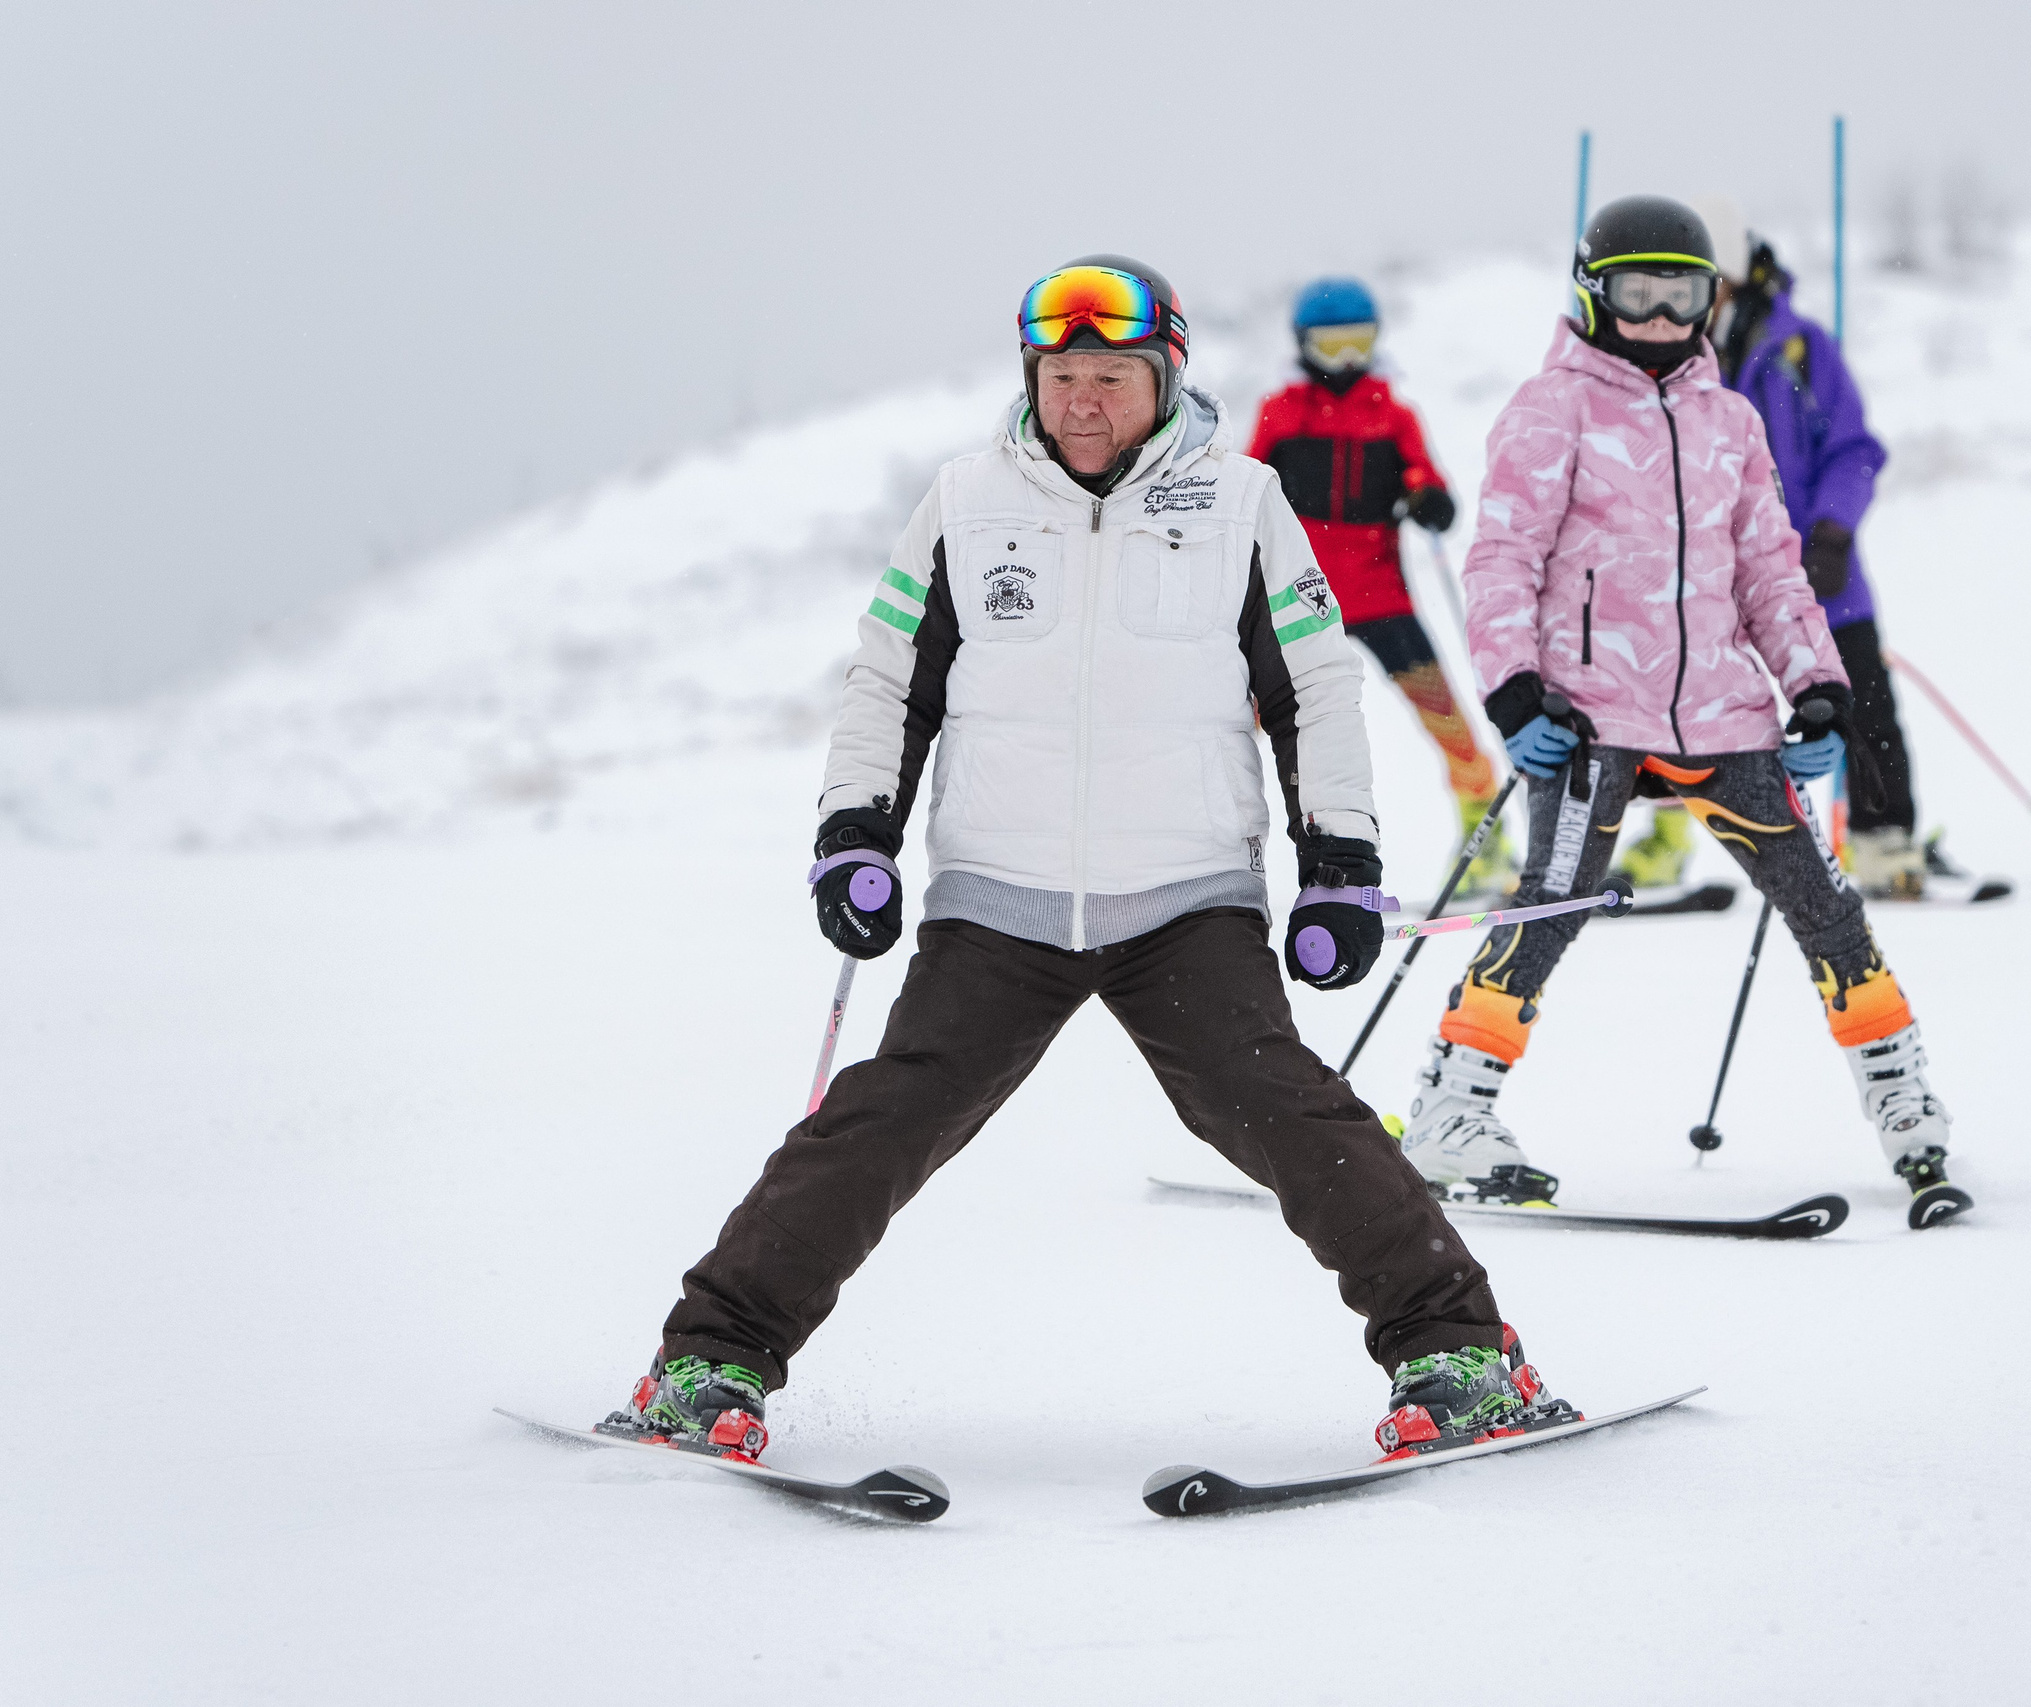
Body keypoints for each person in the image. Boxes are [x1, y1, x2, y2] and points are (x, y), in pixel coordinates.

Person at [601, 256, 1574, 1465]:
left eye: (1111, 376)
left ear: (1163, 377)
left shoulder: (1241, 501)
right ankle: (709, 1365)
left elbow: (1314, 692)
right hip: (997, 900)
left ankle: (1457, 1352)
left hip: (1185, 895)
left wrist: (1339, 865)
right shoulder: (963, 502)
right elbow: (889, 680)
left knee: (1283, 1109)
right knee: (882, 1120)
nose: (1083, 402)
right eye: (1062, 376)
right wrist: (856, 834)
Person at [1401, 198, 1973, 1230]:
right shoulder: (1549, 409)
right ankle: (1451, 1110)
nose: (1663, 319)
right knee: (1552, 904)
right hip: (1588, 717)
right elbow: (1502, 559)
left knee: (1826, 908)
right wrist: (1514, 687)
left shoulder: (1730, 420)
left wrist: (1815, 685)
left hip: (1722, 714)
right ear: (1592, 295)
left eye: (1684, 297)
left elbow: (1767, 569)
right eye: (1637, 295)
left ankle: (1903, 1104)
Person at [1691, 196, 1943, 899]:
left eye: (1705, 280)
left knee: (1859, 700)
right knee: (1680, 708)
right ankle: (1658, 844)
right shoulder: (1669, 355)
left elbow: (1853, 447)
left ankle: (1883, 840)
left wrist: (1833, 526)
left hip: (1818, 569)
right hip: (1710, 573)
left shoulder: (1801, 346)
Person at [1248, 277, 1515, 899]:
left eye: (1358, 342)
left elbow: (1430, 484)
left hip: (1382, 599)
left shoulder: (1392, 418)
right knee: (1238, 722)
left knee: (1447, 718)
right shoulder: (1281, 415)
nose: (1345, 358)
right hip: (1300, 603)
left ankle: (1487, 844)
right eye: (1331, 343)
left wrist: (1431, 502)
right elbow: (1245, 493)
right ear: (1302, 345)